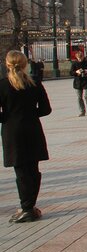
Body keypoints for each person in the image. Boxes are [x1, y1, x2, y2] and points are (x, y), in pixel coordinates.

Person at [1, 50, 52, 223]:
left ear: (7, 64)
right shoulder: (35, 82)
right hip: (32, 129)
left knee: (21, 171)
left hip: (13, 131)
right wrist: (30, 114)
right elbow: (46, 109)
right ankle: (30, 206)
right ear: (25, 64)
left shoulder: (3, 84)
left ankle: (26, 208)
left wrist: (8, 117)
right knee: (33, 170)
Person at [70, 52, 87, 117]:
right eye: (79, 57)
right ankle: (82, 111)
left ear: (83, 57)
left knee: (86, 96)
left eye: (81, 57)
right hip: (78, 82)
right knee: (79, 97)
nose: (80, 59)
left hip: (86, 81)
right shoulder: (74, 64)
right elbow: (71, 72)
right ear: (76, 57)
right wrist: (76, 72)